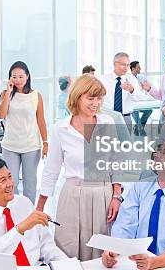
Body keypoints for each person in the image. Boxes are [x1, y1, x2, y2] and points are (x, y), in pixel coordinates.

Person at [37, 74, 123, 260]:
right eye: (90, 98)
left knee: (102, 252)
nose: (95, 103)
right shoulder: (61, 129)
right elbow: (51, 170)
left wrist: (117, 196)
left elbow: (116, 163)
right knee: (69, 250)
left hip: (103, 195)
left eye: (99, 98)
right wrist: (40, 207)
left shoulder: (107, 123)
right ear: (77, 97)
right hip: (72, 195)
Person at [102, 136, 165, 269]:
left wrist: (153, 262)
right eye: (159, 150)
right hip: (133, 263)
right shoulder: (140, 187)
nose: (157, 155)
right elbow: (125, 226)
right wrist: (113, 250)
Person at [0, 156, 67, 266]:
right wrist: (20, 229)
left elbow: (47, 245)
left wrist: (67, 264)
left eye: (10, 177)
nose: (10, 184)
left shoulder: (24, 203)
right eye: (3, 180)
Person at [0, 61, 47, 204]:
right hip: (10, 145)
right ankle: (14, 213)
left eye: (20, 76)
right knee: (10, 184)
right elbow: (1, 115)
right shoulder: (5, 94)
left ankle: (29, 214)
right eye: (14, 77)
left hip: (31, 146)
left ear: (27, 76)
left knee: (30, 184)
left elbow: (41, 120)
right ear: (10, 78)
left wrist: (45, 142)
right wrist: (8, 93)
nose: (17, 80)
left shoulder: (36, 96)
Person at [100, 52, 142, 128]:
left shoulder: (131, 79)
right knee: (108, 139)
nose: (126, 68)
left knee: (125, 140)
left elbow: (138, 98)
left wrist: (131, 90)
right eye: (123, 64)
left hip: (125, 118)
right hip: (108, 118)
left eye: (127, 65)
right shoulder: (103, 80)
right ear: (115, 64)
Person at [129, 61, 153, 135]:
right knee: (134, 110)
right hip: (132, 102)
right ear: (133, 68)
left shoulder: (141, 77)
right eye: (138, 67)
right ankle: (140, 129)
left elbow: (149, 86)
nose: (140, 69)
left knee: (149, 110)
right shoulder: (128, 78)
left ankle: (138, 127)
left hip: (140, 101)